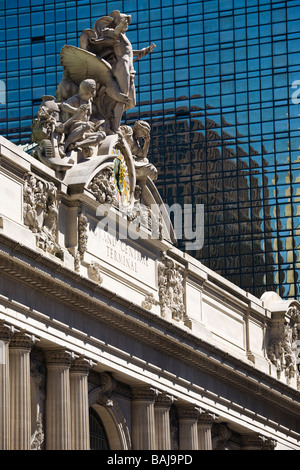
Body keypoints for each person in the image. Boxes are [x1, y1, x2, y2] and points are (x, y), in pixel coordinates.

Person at [59, 79, 106, 156]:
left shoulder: (89, 100)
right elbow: (63, 105)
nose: (95, 92)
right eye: (93, 90)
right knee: (86, 125)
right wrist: (76, 110)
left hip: (85, 132)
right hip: (74, 128)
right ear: (89, 91)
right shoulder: (76, 99)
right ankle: (64, 146)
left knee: (102, 135)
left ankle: (76, 145)